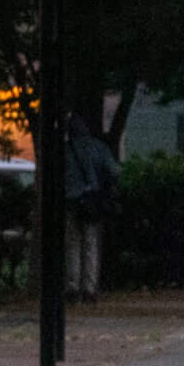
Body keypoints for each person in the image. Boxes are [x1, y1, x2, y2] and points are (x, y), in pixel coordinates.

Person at [63, 114, 119, 303]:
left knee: (72, 244)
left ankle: (72, 286)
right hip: (92, 200)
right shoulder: (98, 147)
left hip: (71, 201)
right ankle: (89, 288)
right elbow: (114, 171)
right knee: (91, 244)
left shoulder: (66, 150)